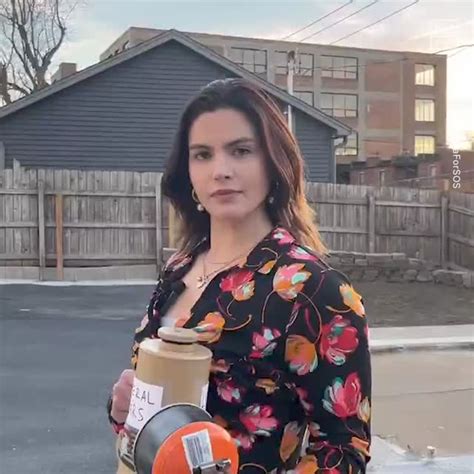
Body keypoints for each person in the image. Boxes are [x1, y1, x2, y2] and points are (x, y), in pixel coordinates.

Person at [107, 78, 371, 473]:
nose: (221, 171)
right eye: (202, 155)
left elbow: (343, 450)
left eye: (241, 151)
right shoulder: (179, 268)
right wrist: (123, 410)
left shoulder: (315, 290)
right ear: (188, 173)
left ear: (274, 164)